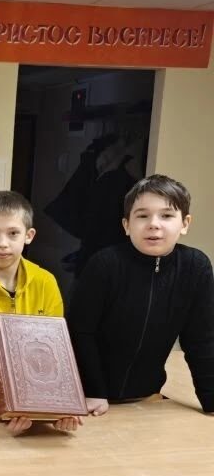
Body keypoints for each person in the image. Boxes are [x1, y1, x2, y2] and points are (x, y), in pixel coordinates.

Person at [68, 174, 214, 416]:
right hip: (88, 398)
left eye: (166, 215)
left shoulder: (195, 267)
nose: (154, 224)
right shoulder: (105, 264)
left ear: (185, 223)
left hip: (147, 398)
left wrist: (211, 399)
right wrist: (94, 391)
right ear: (127, 225)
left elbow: (202, 339)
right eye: (143, 216)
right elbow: (80, 332)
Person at [0, 190, 82, 436]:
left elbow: (56, 359)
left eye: (13, 233)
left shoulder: (45, 282)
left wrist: (60, 408)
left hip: (37, 411)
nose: (3, 243)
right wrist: (6, 404)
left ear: (29, 236)